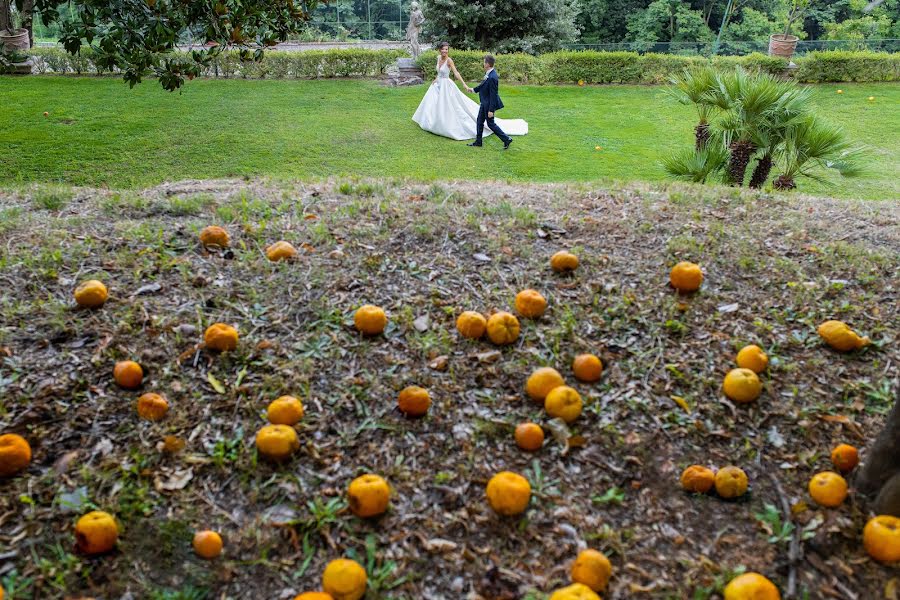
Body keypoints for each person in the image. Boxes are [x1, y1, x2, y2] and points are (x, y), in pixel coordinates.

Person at [411, 43, 527, 144]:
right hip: (438, 85)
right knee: (434, 104)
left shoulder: (449, 60)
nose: (445, 51)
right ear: (440, 50)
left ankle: (502, 138)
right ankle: (436, 123)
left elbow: (455, 73)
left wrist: (464, 85)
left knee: (449, 105)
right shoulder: (438, 58)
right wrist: (436, 78)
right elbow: (439, 72)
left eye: (447, 49)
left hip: (447, 85)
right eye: (443, 49)